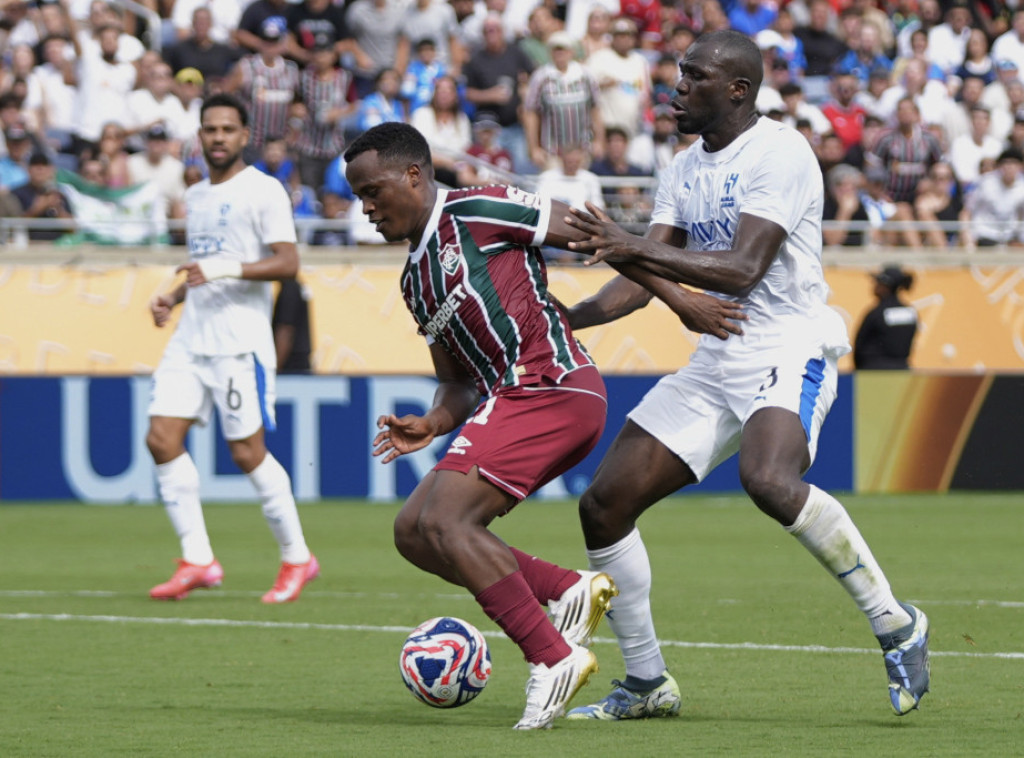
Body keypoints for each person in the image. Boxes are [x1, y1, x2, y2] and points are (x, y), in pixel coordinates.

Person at [559, 30, 931, 721]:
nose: (677, 87)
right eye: (678, 72)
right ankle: (646, 683)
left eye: (694, 76)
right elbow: (641, 281)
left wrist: (627, 243)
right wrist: (569, 318)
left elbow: (740, 268)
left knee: (768, 479)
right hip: (717, 354)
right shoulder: (681, 168)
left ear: (737, 89)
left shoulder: (780, 152)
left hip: (789, 342)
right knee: (603, 505)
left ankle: (896, 623)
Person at [343, 121, 633, 730]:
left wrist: (678, 293)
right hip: (512, 396)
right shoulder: (414, 280)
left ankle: (553, 658)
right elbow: (457, 383)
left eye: (372, 191)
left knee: (446, 521)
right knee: (413, 531)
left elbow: (598, 235)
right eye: (358, 197)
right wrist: (433, 421)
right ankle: (567, 589)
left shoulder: (478, 208)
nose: (366, 208)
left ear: (414, 175)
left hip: (553, 384)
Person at [146, 94, 319, 605]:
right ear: (199, 136)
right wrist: (173, 296)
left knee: (247, 452)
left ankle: (297, 557)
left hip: (239, 343)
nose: (218, 137)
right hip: (191, 338)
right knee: (161, 439)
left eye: (227, 129)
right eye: (210, 129)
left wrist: (222, 269)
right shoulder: (196, 194)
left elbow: (288, 263)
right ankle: (198, 559)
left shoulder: (263, 190)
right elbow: (205, 265)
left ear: (245, 136)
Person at [854, 266, 918, 370]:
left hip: (873, 372)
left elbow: (860, 345)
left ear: (886, 286)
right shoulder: (910, 312)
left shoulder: (876, 313)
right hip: (902, 371)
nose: (874, 285)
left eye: (878, 282)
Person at [273, 278, 313, 374]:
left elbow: (286, 331)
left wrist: (276, 370)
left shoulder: (289, 289)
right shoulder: (297, 287)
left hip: (290, 367)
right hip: (300, 365)